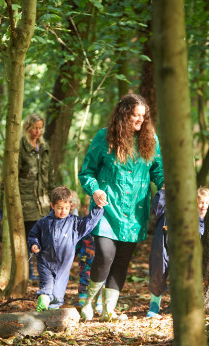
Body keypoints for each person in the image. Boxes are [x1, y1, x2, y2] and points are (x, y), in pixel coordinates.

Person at [78, 93, 164, 322]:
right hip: (107, 209)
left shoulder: (151, 140)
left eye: (143, 117)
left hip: (135, 212)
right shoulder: (104, 137)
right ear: (124, 115)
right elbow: (87, 172)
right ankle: (88, 303)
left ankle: (108, 310)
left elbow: (158, 171)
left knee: (122, 260)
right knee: (105, 255)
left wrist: (167, 187)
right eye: (136, 115)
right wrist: (94, 190)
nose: (140, 120)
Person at [28, 186, 104, 311]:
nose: (63, 211)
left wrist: (98, 208)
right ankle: (43, 300)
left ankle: (51, 314)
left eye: (66, 208)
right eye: (60, 208)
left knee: (58, 295)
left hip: (63, 266)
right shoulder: (43, 222)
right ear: (52, 206)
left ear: (71, 205)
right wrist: (34, 244)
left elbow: (89, 223)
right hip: (45, 262)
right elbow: (33, 235)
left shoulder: (74, 223)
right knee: (46, 287)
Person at [146, 187, 209, 318]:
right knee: (159, 271)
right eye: (200, 202)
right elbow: (160, 205)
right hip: (166, 245)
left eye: (207, 203)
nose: (203, 206)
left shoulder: (208, 221)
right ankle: (154, 304)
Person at [19, 113, 53, 281]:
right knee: (30, 237)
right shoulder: (21, 146)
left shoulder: (44, 147)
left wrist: (54, 198)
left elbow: (50, 175)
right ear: (28, 127)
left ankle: (42, 270)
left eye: (40, 128)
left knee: (43, 236)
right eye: (35, 128)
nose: (38, 131)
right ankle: (29, 272)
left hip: (44, 201)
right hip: (26, 200)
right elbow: (12, 175)